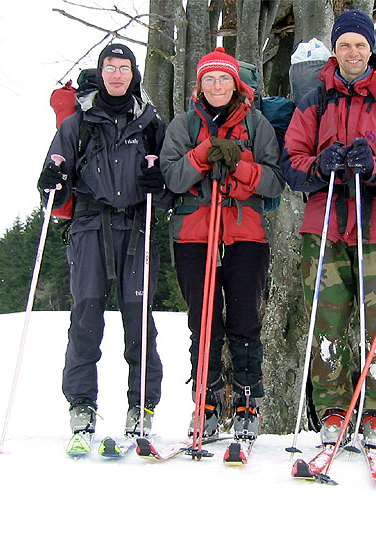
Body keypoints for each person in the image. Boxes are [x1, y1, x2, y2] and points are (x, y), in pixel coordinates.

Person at [281, 9, 376, 451]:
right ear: (335, 49)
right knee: (326, 320)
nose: (352, 52)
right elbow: (291, 161)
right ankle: (332, 408)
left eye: (359, 45)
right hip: (324, 224)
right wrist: (318, 164)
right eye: (344, 45)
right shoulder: (314, 101)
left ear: (370, 49)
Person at [38, 43, 172, 438]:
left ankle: (141, 404)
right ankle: (82, 404)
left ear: (134, 74)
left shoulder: (150, 125)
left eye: (124, 68)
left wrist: (157, 183)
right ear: (101, 73)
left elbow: (168, 194)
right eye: (110, 68)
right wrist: (50, 183)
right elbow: (54, 190)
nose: (117, 75)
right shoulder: (76, 124)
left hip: (136, 227)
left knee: (139, 321)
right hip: (89, 229)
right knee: (85, 319)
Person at [160, 47, 283, 440]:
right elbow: (173, 178)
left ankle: (248, 403)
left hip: (245, 233)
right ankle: (207, 404)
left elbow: (274, 180)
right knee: (204, 323)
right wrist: (202, 155)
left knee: (245, 320)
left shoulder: (258, 124)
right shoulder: (183, 125)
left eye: (224, 78)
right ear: (200, 84)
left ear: (236, 83)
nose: (217, 85)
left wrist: (239, 164)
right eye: (209, 79)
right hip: (195, 235)